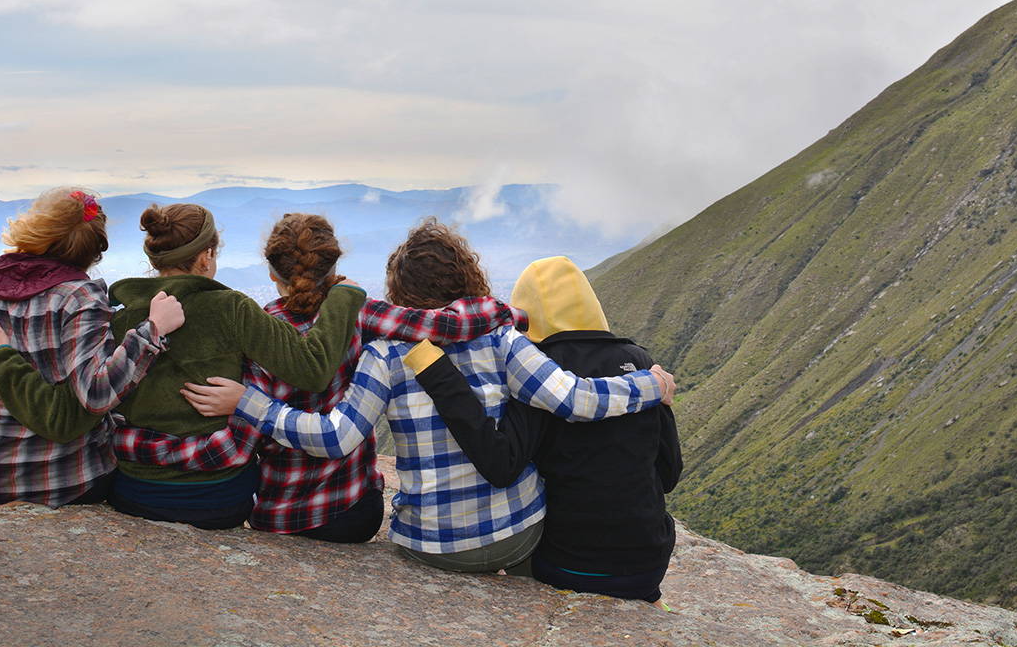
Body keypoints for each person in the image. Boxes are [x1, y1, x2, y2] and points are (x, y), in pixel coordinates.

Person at [219, 218, 675, 572]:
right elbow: (575, 400)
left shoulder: (386, 353)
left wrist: (251, 403)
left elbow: (336, 438)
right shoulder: (501, 335)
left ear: (399, 292)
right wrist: (648, 384)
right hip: (516, 532)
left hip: (429, 543)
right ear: (466, 276)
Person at [113, 212, 525, 544]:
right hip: (356, 513)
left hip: (279, 514)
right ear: (332, 267)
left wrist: (131, 442)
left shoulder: (258, 330)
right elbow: (444, 325)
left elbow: (237, 449)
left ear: (273, 273)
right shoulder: (364, 315)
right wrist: (517, 316)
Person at [0, 202, 368, 529]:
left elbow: (89, 401)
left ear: (153, 258)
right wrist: (343, 297)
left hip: (134, 493)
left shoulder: (117, 315)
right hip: (219, 500)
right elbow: (313, 368)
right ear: (207, 256)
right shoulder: (232, 308)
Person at [407, 256, 682, 610]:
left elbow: (504, 464)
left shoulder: (536, 373)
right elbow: (669, 473)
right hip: (648, 567)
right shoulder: (641, 363)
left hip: (566, 567)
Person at [0, 187, 186, 508]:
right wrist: (153, 330)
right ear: (94, 252)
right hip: (62, 478)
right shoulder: (80, 298)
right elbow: (97, 393)